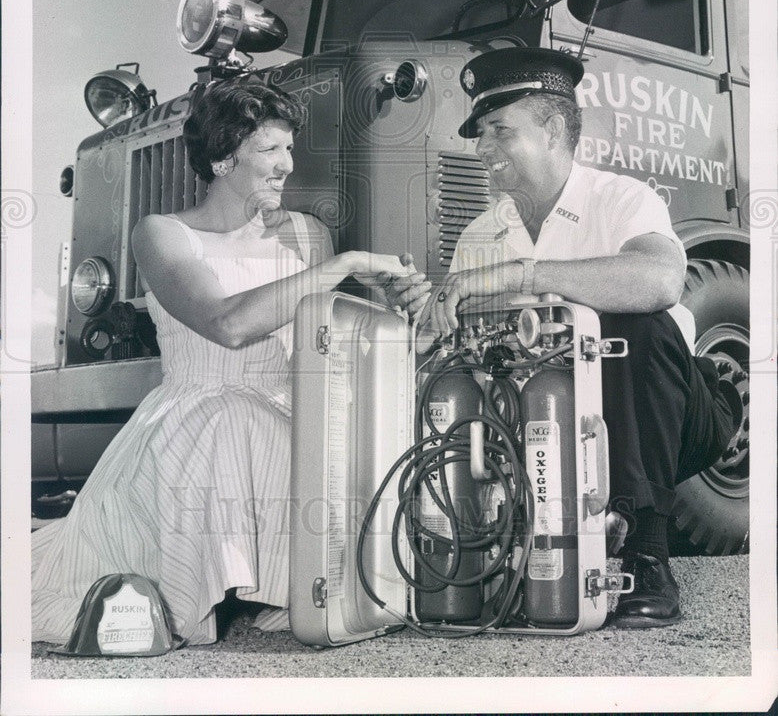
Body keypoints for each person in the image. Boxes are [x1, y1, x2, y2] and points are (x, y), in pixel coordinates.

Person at [31, 77, 418, 647]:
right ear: (222, 158)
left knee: (285, 431)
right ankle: (191, 599)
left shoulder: (309, 237)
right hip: (191, 421)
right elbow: (226, 324)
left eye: (289, 147)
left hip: (290, 421)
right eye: (270, 149)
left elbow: (333, 344)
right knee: (228, 415)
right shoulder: (162, 234)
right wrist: (346, 264)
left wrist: (394, 308)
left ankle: (283, 586)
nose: (287, 164)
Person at [390, 47, 739, 629]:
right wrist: (425, 317)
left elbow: (658, 280)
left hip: (664, 417)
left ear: (553, 129)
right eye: (480, 135)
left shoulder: (623, 199)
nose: (482, 149)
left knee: (634, 325)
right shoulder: (481, 233)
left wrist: (521, 277)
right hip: (543, 427)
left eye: (500, 131)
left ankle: (645, 553)